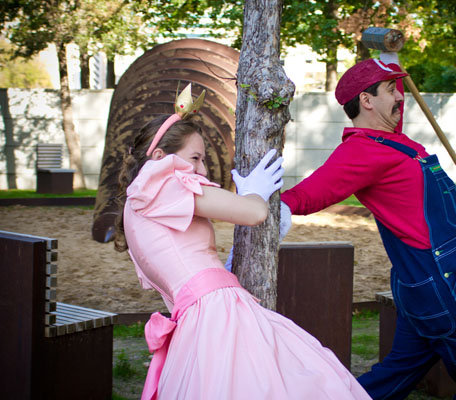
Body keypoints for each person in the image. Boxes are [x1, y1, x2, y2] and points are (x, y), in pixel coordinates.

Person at [279, 56, 456, 399]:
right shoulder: (361, 150)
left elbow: (397, 108)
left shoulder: (395, 142)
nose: (400, 97)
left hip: (428, 285)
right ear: (366, 100)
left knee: (392, 378)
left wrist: (389, 65)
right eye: (391, 89)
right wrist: (267, 204)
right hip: (442, 283)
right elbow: (310, 193)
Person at [113, 85, 371, 400]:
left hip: (197, 317)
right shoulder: (161, 181)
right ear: (158, 157)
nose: (202, 170)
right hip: (216, 312)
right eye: (195, 158)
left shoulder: (137, 204)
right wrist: (254, 192)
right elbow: (253, 212)